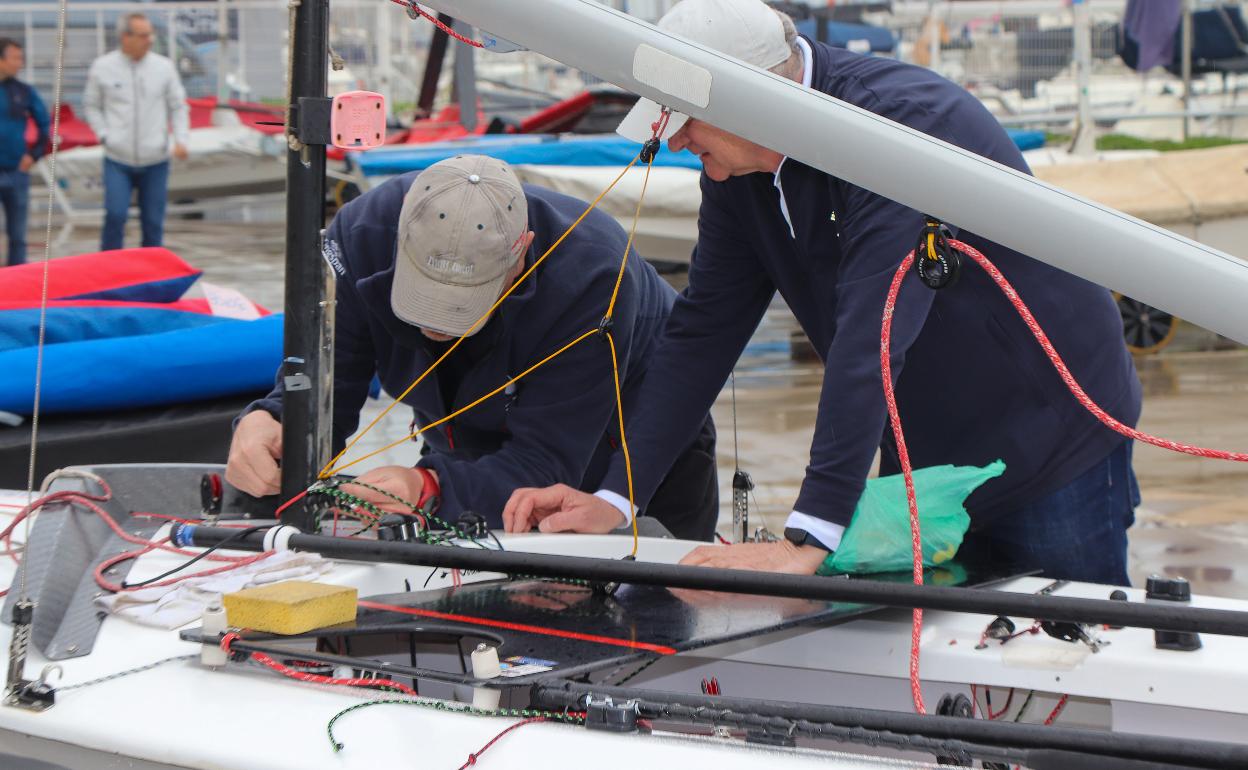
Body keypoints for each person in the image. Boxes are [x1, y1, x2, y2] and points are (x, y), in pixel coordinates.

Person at [504, 0, 1143, 585]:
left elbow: (874, 333)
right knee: (950, 671)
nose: (672, 140)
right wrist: (617, 499)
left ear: (750, 103)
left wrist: (808, 536)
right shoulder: (738, 170)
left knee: (1073, 654)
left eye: (685, 121)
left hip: (1050, 433)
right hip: (921, 455)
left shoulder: (892, 131)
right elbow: (703, 330)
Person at [226, 155, 718, 541]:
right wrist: (273, 420)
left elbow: (543, 463)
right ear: (400, 240)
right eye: (424, 297)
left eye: (463, 304)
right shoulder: (358, 239)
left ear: (521, 250)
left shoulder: (593, 274)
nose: (438, 327)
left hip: (623, 455)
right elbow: (327, 390)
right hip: (461, 442)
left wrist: (427, 487)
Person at [83, 13, 189, 251]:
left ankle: (151, 277)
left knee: (153, 222)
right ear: (125, 37)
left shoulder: (164, 67)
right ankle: (109, 272)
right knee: (115, 215)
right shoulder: (103, 67)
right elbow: (91, 105)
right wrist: (104, 134)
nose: (149, 40)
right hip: (117, 158)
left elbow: (178, 105)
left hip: (155, 159)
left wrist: (181, 139)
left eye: (150, 34)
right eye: (142, 35)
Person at [0, 38, 48, 267]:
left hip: (16, 171)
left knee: (18, 235)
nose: (20, 63)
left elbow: (45, 124)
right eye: (15, 58)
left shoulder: (23, 91)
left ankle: (15, 285)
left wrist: (33, 154)